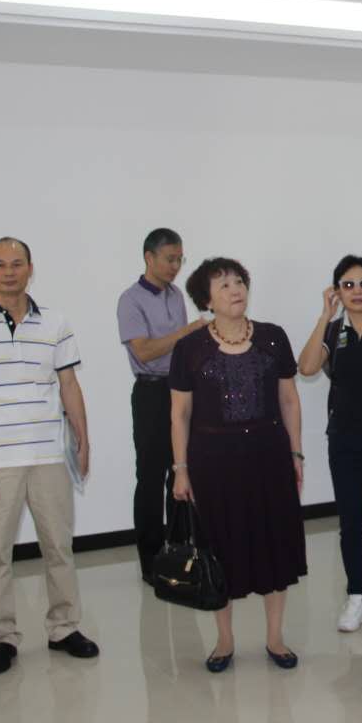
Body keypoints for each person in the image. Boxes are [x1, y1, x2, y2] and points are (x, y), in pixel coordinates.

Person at [0, 237, 100, 675]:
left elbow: (69, 385)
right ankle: (3, 637)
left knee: (59, 547)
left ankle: (64, 628)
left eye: (17, 264)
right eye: (0, 264)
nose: (9, 272)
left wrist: (83, 439)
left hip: (49, 454)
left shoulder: (55, 322)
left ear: (30, 269)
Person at [169, 257, 306, 673]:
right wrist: (181, 469)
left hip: (269, 455)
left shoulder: (272, 337)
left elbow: (289, 399)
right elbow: (179, 414)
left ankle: (275, 637)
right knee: (220, 547)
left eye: (239, 282)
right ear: (206, 299)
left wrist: (296, 453)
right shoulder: (190, 347)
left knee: (274, 543)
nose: (235, 290)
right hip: (213, 461)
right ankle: (224, 640)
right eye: (224, 285)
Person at [298, 255, 362, 632]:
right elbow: (306, 367)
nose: (357, 291)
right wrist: (324, 315)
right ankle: (358, 597)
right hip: (345, 440)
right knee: (351, 522)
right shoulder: (333, 331)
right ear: (337, 290)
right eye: (348, 285)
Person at [117, 228, 208, 582]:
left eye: (179, 259)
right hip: (151, 393)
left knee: (181, 471)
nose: (175, 266)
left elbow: (180, 351)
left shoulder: (176, 295)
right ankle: (151, 560)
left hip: (180, 391)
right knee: (151, 478)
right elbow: (144, 351)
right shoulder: (130, 299)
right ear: (149, 257)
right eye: (170, 259)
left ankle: (180, 552)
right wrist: (188, 331)